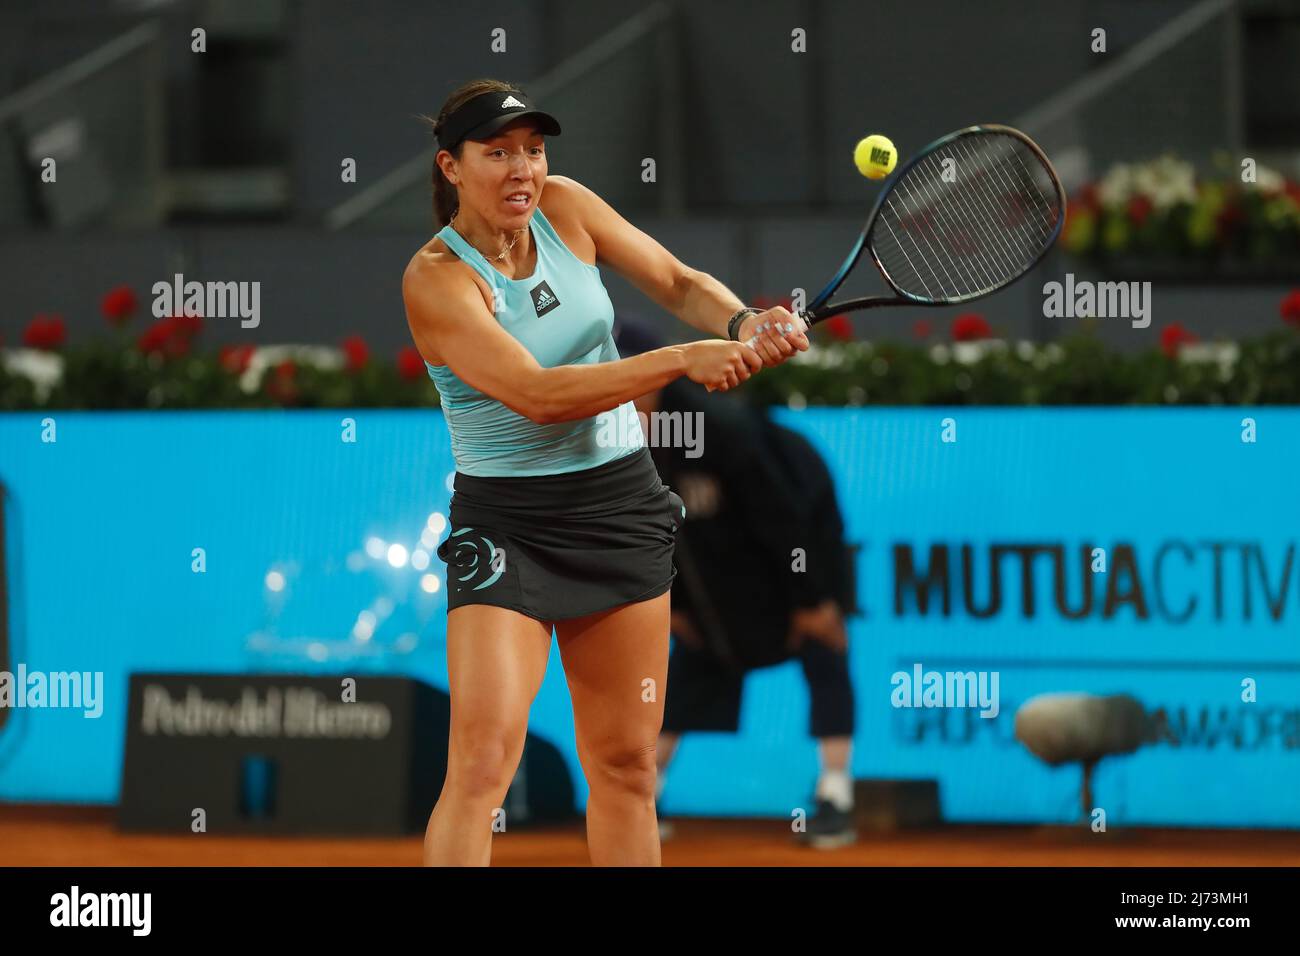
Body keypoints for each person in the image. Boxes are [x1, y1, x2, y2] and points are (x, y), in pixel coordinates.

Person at [401, 78, 811, 866]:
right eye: (498, 154)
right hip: (508, 528)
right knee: (482, 765)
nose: (523, 169)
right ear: (451, 168)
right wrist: (685, 357)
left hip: (619, 508)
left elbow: (676, 281)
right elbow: (537, 396)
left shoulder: (567, 207)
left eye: (533, 150)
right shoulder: (437, 279)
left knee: (625, 767)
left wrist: (739, 320)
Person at [612, 318, 860, 849]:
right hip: (712, 566)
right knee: (693, 660)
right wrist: (669, 606)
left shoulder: (718, 427)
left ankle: (835, 796)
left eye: (629, 377)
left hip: (798, 537)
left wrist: (813, 599)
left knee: (825, 649)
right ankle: (643, 798)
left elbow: (781, 517)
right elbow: (635, 532)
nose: (620, 392)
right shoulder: (612, 435)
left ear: (656, 376)